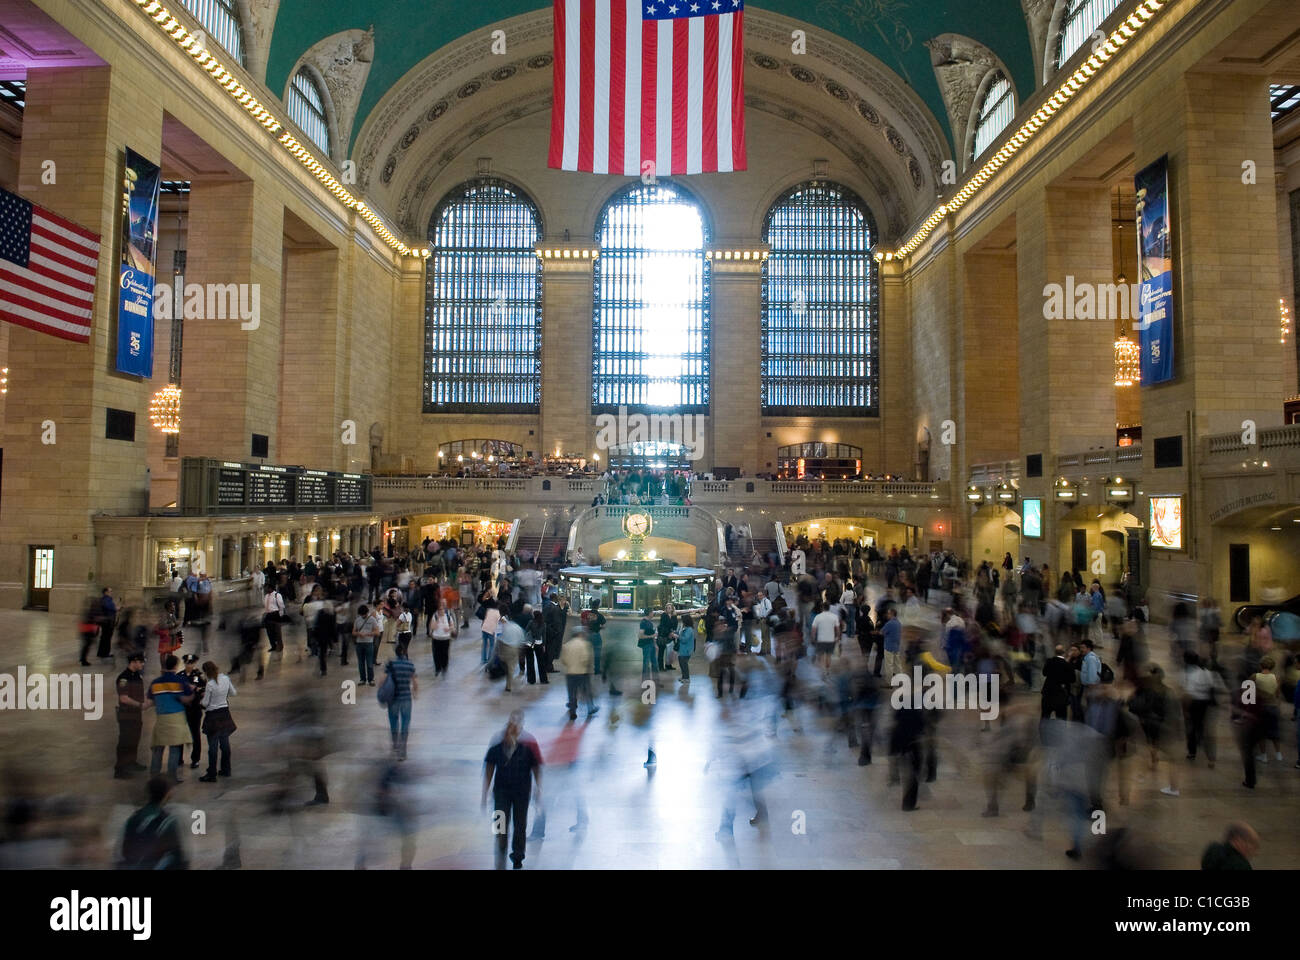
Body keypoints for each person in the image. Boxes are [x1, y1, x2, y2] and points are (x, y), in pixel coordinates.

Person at [482, 709, 543, 869]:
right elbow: (489, 766)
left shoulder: (529, 742)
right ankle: (500, 844)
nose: (514, 726)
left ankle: (518, 855)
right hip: (501, 791)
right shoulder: (497, 741)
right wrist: (485, 792)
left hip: (522, 792)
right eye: (511, 722)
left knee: (520, 824)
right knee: (500, 820)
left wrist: (538, 788)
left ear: (521, 724)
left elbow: (536, 766)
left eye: (517, 722)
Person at [118, 777, 188, 869]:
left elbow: (124, 851)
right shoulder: (168, 822)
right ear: (167, 794)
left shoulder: (133, 818)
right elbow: (177, 857)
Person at [146, 655, 195, 783]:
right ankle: (171, 776)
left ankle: (154, 775)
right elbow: (186, 699)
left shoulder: (155, 682)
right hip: (176, 719)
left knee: (158, 748)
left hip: (161, 719)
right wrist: (193, 691)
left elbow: (150, 702)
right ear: (175, 666)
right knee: (174, 749)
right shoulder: (179, 681)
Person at [197, 661, 237, 782]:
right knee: (225, 744)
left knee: (213, 746)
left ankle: (212, 773)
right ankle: (226, 769)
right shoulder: (225, 678)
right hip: (225, 714)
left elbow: (205, 703)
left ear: (205, 672)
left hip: (213, 717)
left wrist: (200, 700)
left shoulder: (210, 684)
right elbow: (233, 693)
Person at [114, 652, 150, 779]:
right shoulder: (124, 678)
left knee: (134, 739)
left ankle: (131, 762)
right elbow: (123, 698)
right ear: (134, 662)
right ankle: (120, 769)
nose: (143, 664)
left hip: (135, 714)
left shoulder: (137, 676)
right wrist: (140, 705)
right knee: (125, 741)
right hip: (126, 714)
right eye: (141, 662)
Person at [381, 647, 418, 760]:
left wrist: (382, 693)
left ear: (396, 653)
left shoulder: (391, 664)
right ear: (405, 653)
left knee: (393, 722)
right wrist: (415, 693)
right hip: (406, 698)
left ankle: (395, 745)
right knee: (405, 724)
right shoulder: (410, 665)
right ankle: (403, 751)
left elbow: (383, 679)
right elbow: (414, 682)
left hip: (393, 699)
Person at [560, 627, 598, 721]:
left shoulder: (566, 645)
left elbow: (563, 660)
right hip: (582, 672)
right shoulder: (585, 644)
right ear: (581, 634)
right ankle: (590, 708)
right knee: (586, 692)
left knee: (572, 693)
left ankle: (572, 711)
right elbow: (586, 659)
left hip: (570, 673)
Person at [180, 654, 207, 770]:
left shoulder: (199, 676)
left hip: (194, 709)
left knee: (195, 734)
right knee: (180, 734)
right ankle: (178, 758)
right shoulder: (179, 675)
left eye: (191, 663)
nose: (189, 665)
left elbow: (204, 691)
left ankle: (195, 759)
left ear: (194, 663)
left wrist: (197, 691)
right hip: (182, 709)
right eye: (187, 663)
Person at [353, 603, 381, 686]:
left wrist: (369, 634)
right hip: (359, 644)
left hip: (369, 644)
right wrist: (358, 634)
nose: (363, 616)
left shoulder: (372, 619)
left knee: (369, 663)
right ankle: (362, 679)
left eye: (364, 614)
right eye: (361, 615)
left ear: (367, 612)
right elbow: (353, 632)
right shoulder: (357, 620)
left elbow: (377, 632)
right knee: (360, 663)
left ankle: (371, 679)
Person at [429, 595, 456, 678]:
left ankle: (444, 667)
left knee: (445, 654)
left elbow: (452, 626)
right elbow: (432, 627)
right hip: (436, 638)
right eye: (440, 608)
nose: (441, 611)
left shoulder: (448, 616)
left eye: (443, 608)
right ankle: (438, 668)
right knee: (436, 654)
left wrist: (449, 629)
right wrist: (436, 622)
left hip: (445, 638)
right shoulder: (435, 616)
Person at [638, 608, 658, 682]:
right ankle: (645, 681)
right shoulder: (643, 622)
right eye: (652, 612)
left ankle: (655, 680)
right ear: (649, 613)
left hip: (651, 644)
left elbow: (652, 634)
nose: (653, 613)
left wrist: (655, 644)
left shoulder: (650, 622)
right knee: (646, 663)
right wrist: (652, 636)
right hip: (646, 645)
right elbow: (640, 636)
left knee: (654, 663)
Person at [677, 614, 697, 684]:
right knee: (681, 663)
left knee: (684, 664)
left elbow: (684, 639)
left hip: (686, 650)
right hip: (682, 649)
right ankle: (683, 676)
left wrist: (677, 636)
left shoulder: (689, 630)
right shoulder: (685, 628)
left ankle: (686, 678)